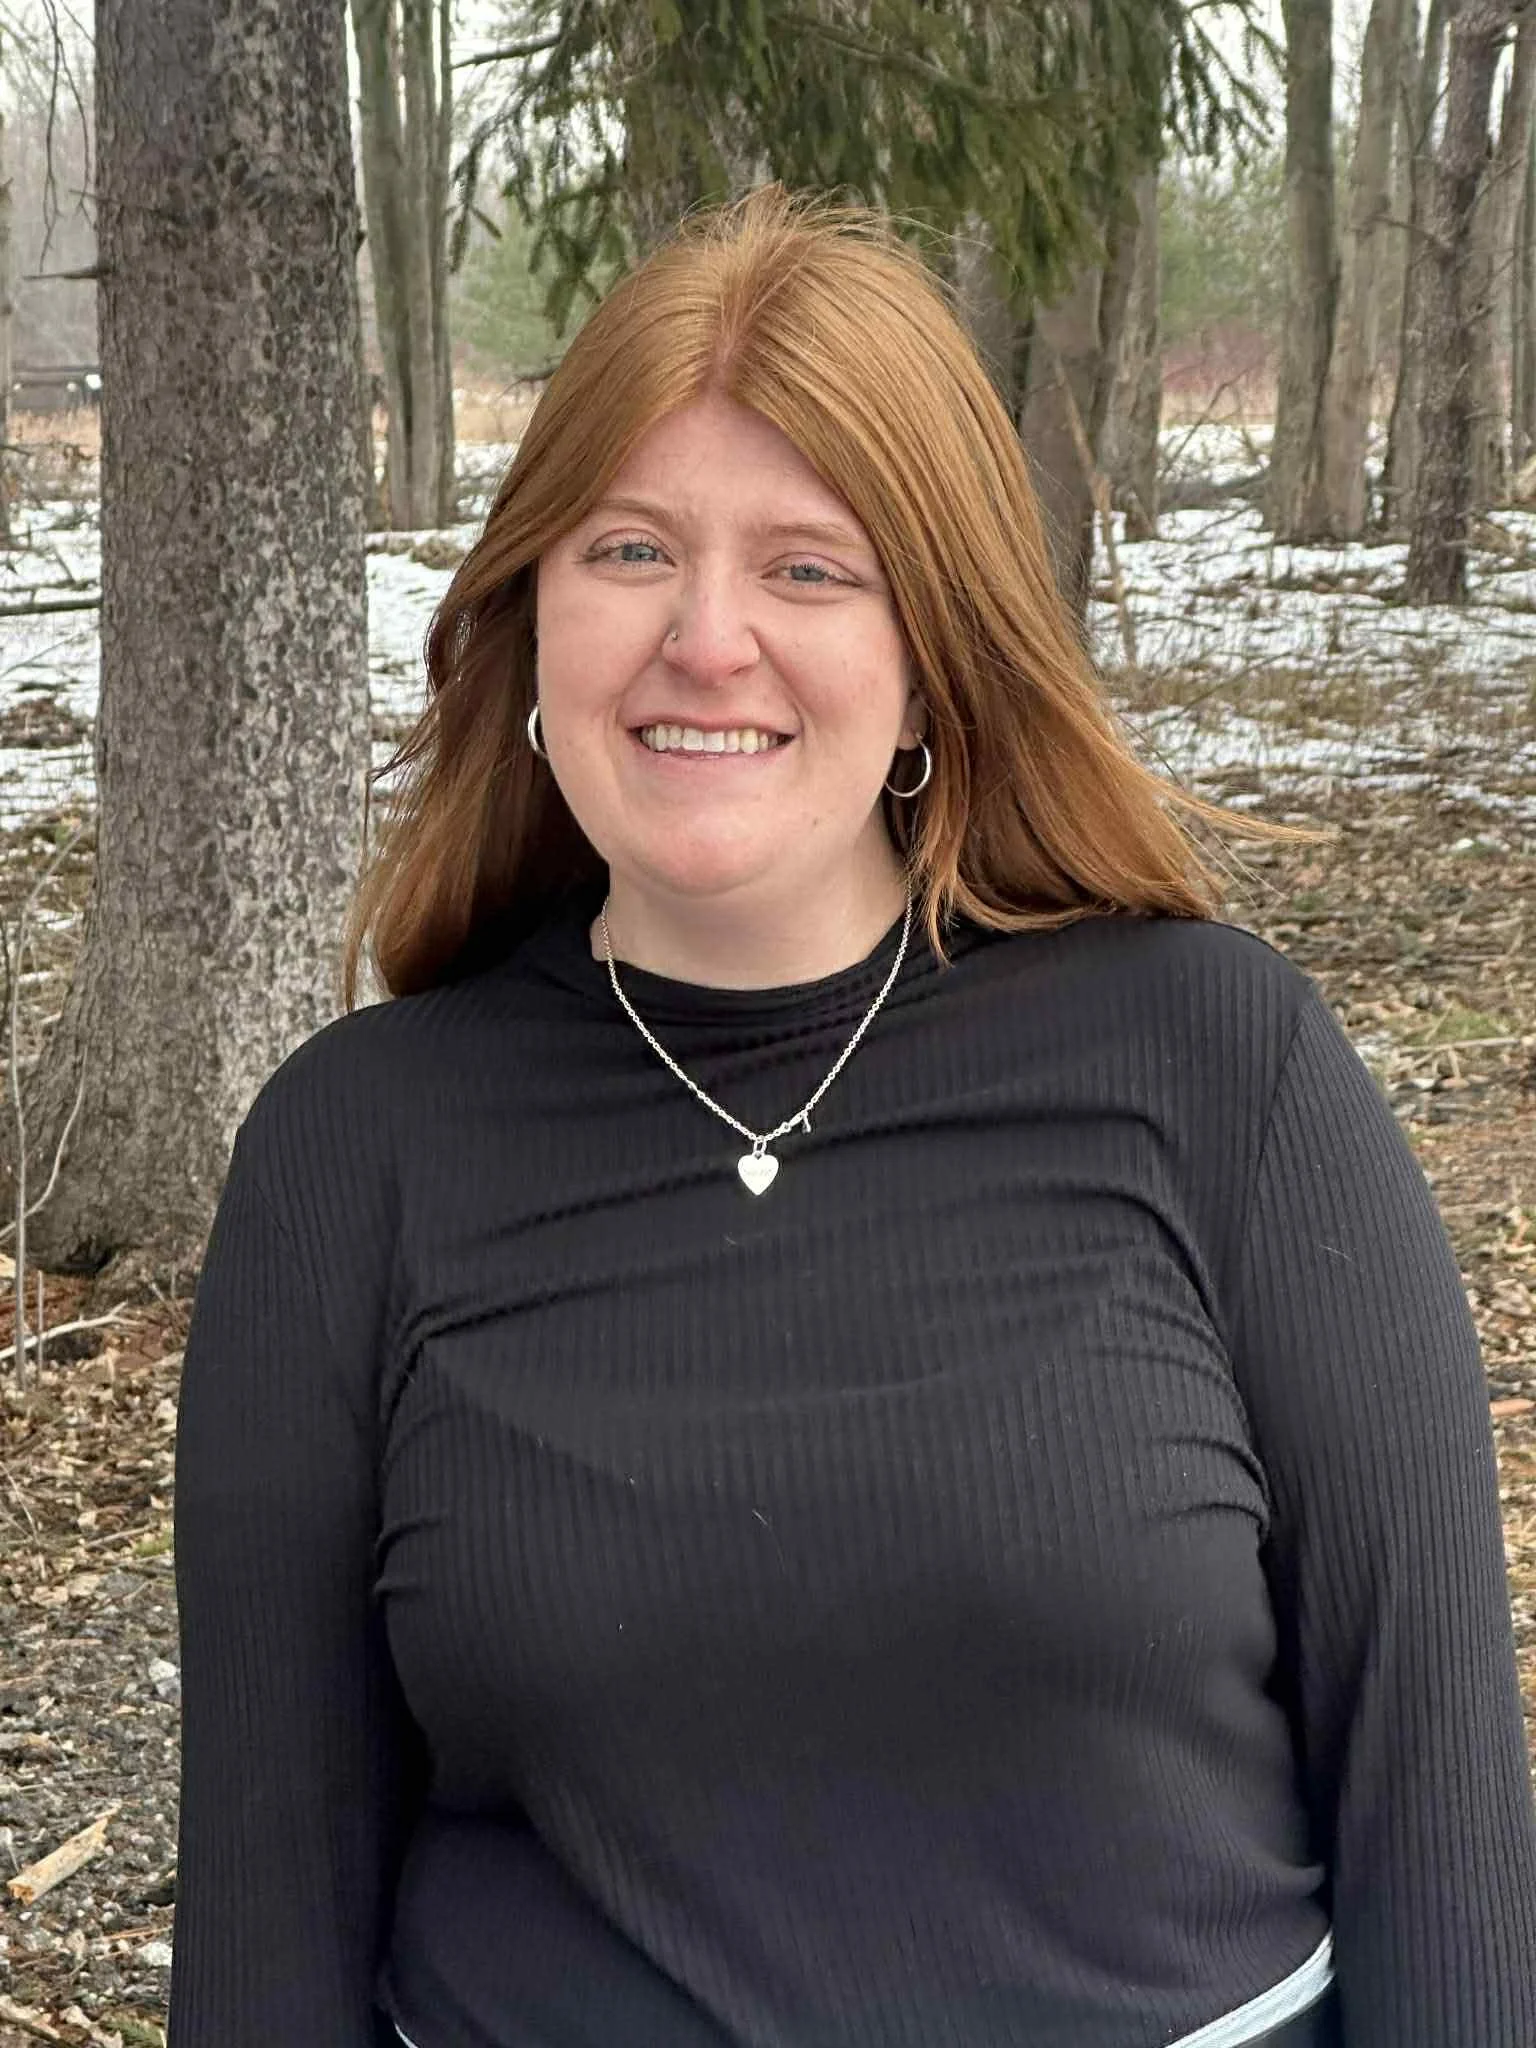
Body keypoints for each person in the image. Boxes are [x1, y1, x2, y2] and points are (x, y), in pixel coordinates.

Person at [168, 186, 1536, 2048]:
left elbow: (1437, 1804)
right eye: (630, 549)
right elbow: (271, 1917)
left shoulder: (1222, 1066)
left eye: (809, 567)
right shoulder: (353, 1153)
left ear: (932, 661)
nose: (705, 639)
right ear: (532, 619)